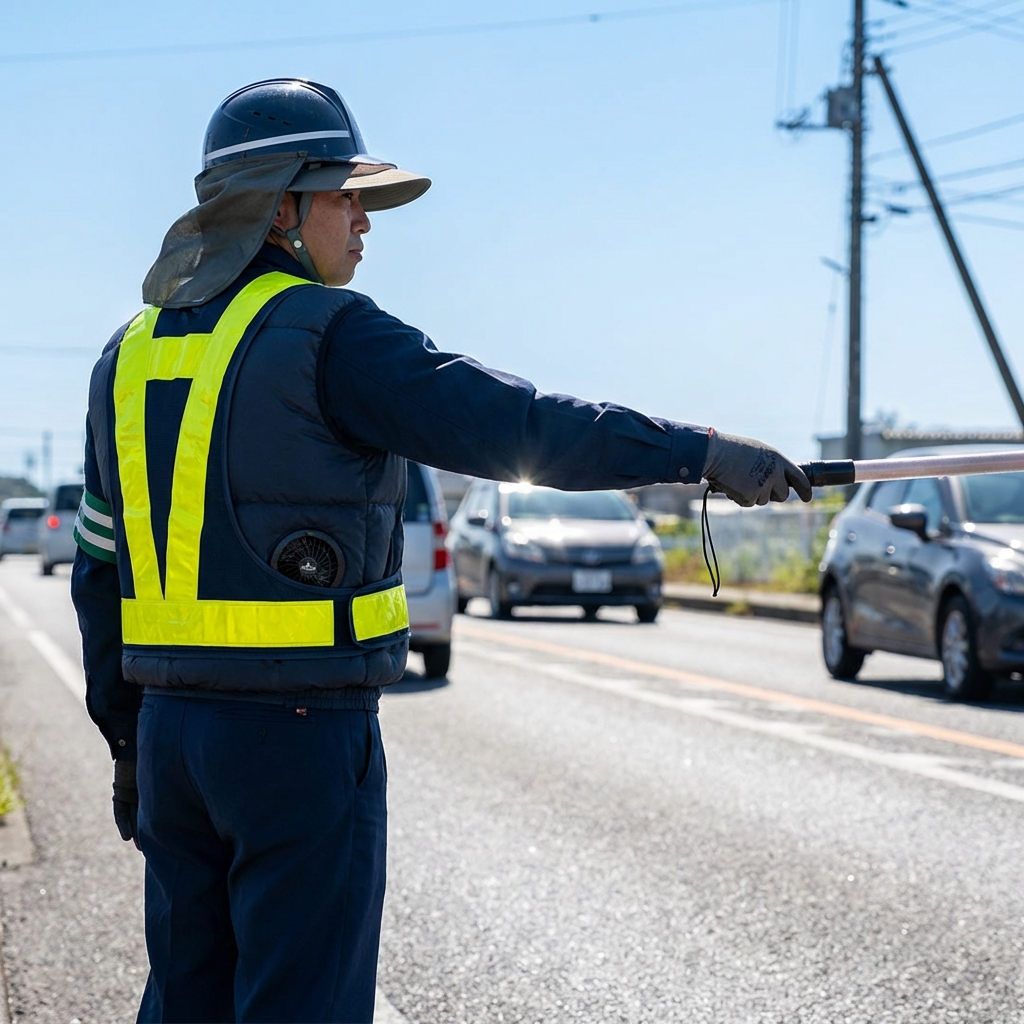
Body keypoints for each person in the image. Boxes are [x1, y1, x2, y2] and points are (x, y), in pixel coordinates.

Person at [71, 78, 811, 1024]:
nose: (365, 222)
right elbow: (517, 423)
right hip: (299, 737)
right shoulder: (332, 337)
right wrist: (698, 451)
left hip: (173, 736)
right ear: (281, 207)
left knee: (184, 1003)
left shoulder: (125, 355)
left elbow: (98, 572)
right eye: (346, 195)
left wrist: (130, 741)